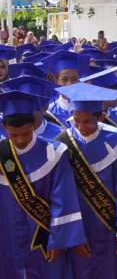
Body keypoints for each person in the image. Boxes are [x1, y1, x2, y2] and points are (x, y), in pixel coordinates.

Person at [52, 82, 117, 278]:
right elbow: (61, 191)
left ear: (102, 117)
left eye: (87, 121)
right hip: (79, 226)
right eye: (76, 121)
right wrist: (70, 233)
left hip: (110, 225)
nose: (81, 127)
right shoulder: (64, 142)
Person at [0, 91, 90, 279]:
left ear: (33, 125)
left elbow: (64, 199)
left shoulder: (54, 152)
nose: (20, 140)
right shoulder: (3, 155)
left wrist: (58, 241)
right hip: (6, 233)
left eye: (26, 133)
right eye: (13, 135)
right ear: (3, 127)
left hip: (45, 236)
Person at [41, 50, 91, 127]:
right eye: (64, 79)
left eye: (74, 79)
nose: (70, 84)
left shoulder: (89, 109)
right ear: (56, 81)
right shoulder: (49, 112)